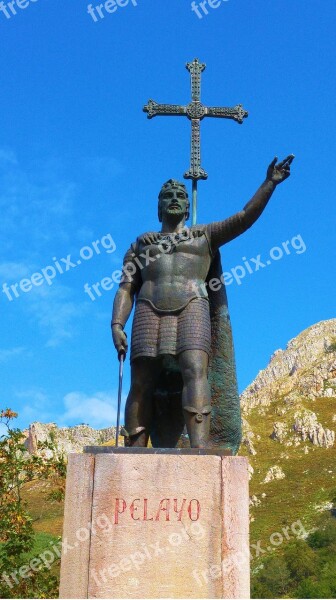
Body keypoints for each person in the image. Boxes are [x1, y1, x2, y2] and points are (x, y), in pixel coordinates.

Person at [111, 155, 294, 448]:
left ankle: (199, 448)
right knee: (141, 383)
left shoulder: (204, 237)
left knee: (195, 373)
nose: (174, 199)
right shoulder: (141, 245)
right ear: (159, 208)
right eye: (168, 196)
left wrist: (270, 183)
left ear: (187, 205)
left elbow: (244, 217)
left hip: (191, 306)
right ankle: (135, 449)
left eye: (180, 196)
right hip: (148, 310)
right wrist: (117, 323)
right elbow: (126, 288)